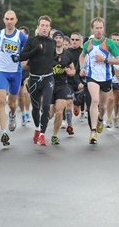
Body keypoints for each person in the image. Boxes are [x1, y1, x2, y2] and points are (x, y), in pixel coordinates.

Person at [79, 17, 119, 144]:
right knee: (95, 101)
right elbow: (82, 55)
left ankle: (100, 118)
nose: (99, 30)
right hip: (92, 77)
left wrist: (104, 60)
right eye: (96, 28)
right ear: (92, 29)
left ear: (103, 28)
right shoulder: (88, 44)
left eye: (101, 28)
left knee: (102, 106)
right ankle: (93, 132)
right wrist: (82, 67)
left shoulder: (109, 43)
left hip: (106, 78)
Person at [0, 10, 28, 146]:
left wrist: (24, 61)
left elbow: (28, 51)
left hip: (15, 73)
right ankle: (4, 132)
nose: (9, 21)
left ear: (16, 20)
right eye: (7, 19)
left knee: (12, 104)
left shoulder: (21, 36)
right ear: (3, 20)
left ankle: (12, 115)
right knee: (1, 100)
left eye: (12, 19)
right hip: (1, 72)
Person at [20, 15, 56, 146]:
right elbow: (21, 56)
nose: (44, 28)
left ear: (49, 28)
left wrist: (58, 60)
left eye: (47, 26)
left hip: (48, 78)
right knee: (35, 108)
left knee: (46, 106)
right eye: (42, 25)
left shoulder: (52, 42)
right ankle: (37, 128)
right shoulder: (32, 40)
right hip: (34, 79)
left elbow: (53, 57)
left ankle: (42, 133)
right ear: (38, 27)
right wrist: (35, 51)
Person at [49, 30, 75, 144]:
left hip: (62, 85)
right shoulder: (48, 53)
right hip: (49, 85)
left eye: (60, 38)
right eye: (56, 37)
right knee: (49, 114)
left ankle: (54, 135)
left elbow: (73, 69)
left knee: (59, 112)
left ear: (63, 40)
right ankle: (40, 128)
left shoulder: (67, 54)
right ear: (53, 39)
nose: (58, 39)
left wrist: (71, 72)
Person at [66, 32, 84, 131]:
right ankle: (69, 125)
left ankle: (77, 107)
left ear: (80, 41)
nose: (74, 42)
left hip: (79, 83)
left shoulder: (83, 52)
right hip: (68, 81)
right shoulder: (67, 52)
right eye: (72, 39)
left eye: (77, 40)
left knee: (76, 107)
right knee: (68, 102)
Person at [18, 26, 31, 126]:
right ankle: (22, 113)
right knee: (20, 96)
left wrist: (27, 62)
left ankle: (27, 112)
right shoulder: (15, 43)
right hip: (18, 71)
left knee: (26, 92)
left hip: (28, 71)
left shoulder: (30, 44)